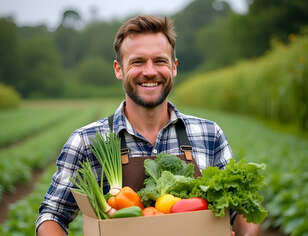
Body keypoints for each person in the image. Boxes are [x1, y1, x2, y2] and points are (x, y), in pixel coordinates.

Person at [36, 14, 260, 236]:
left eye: (160, 61)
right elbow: (52, 216)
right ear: (118, 69)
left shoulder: (209, 134)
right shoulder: (86, 141)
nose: (150, 71)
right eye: (138, 62)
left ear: (174, 67)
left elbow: (242, 208)